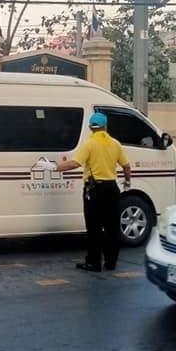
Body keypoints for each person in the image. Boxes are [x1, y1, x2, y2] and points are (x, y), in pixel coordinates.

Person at [55, 111, 132, 272]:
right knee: (112, 227)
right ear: (105, 126)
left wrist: (56, 168)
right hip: (112, 189)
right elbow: (126, 166)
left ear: (91, 127)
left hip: (94, 190)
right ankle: (111, 262)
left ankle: (94, 262)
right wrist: (127, 181)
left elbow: (75, 163)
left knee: (94, 227)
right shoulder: (115, 144)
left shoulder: (89, 144)